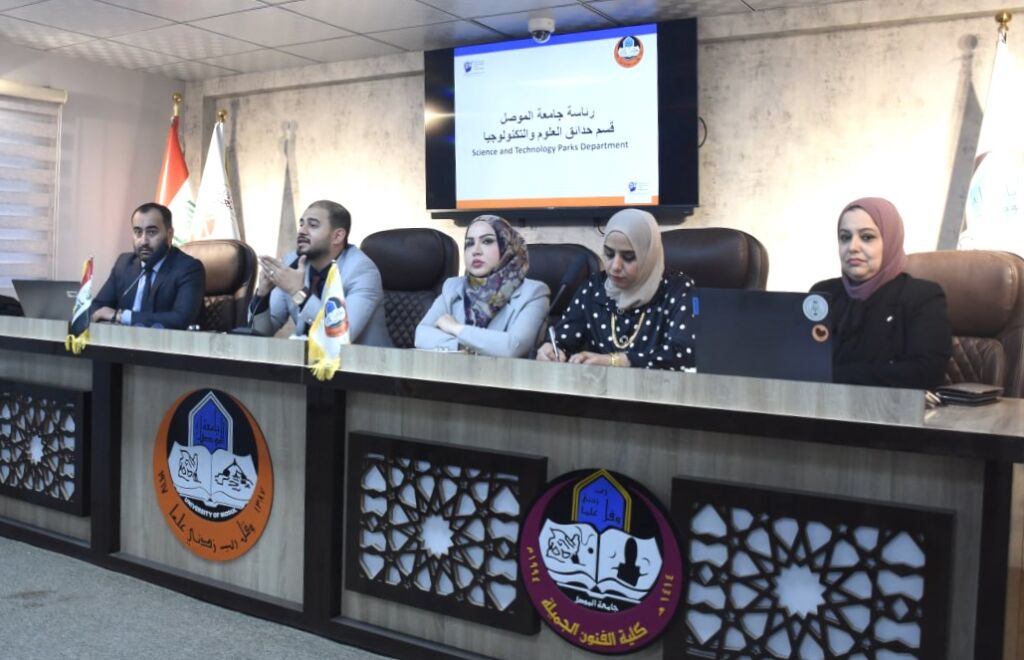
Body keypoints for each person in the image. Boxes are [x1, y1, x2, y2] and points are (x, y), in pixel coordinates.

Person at [811, 197, 951, 388]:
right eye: (845, 237)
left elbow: (926, 373)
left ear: (890, 240)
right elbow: (799, 360)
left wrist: (830, 374)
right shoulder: (823, 294)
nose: (852, 247)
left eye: (867, 237)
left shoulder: (922, 297)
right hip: (818, 404)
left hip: (889, 407)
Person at [536, 208, 695, 370]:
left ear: (648, 256)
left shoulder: (680, 290)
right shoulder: (594, 287)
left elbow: (684, 355)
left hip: (659, 386)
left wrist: (616, 361)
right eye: (609, 254)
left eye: (628, 257)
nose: (615, 266)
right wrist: (551, 349)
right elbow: (564, 338)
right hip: (598, 385)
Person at [249, 200, 392, 346]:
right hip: (306, 358)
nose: (302, 231)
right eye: (301, 224)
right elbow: (261, 333)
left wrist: (298, 292)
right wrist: (262, 296)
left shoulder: (361, 271)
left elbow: (342, 335)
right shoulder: (292, 263)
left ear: (337, 236)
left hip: (362, 360)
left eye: (312, 225)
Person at [415, 215, 549, 357]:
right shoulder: (453, 287)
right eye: (469, 243)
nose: (476, 251)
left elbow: (512, 347)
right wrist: (461, 345)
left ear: (507, 246)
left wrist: (456, 328)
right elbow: (421, 335)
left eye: (487, 241)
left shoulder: (534, 292)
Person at [91, 202, 205, 330]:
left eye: (151, 232)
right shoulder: (124, 264)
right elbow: (96, 308)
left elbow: (182, 319)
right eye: (138, 232)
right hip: (122, 341)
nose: (143, 241)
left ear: (169, 235)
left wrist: (122, 316)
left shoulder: (188, 268)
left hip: (165, 342)